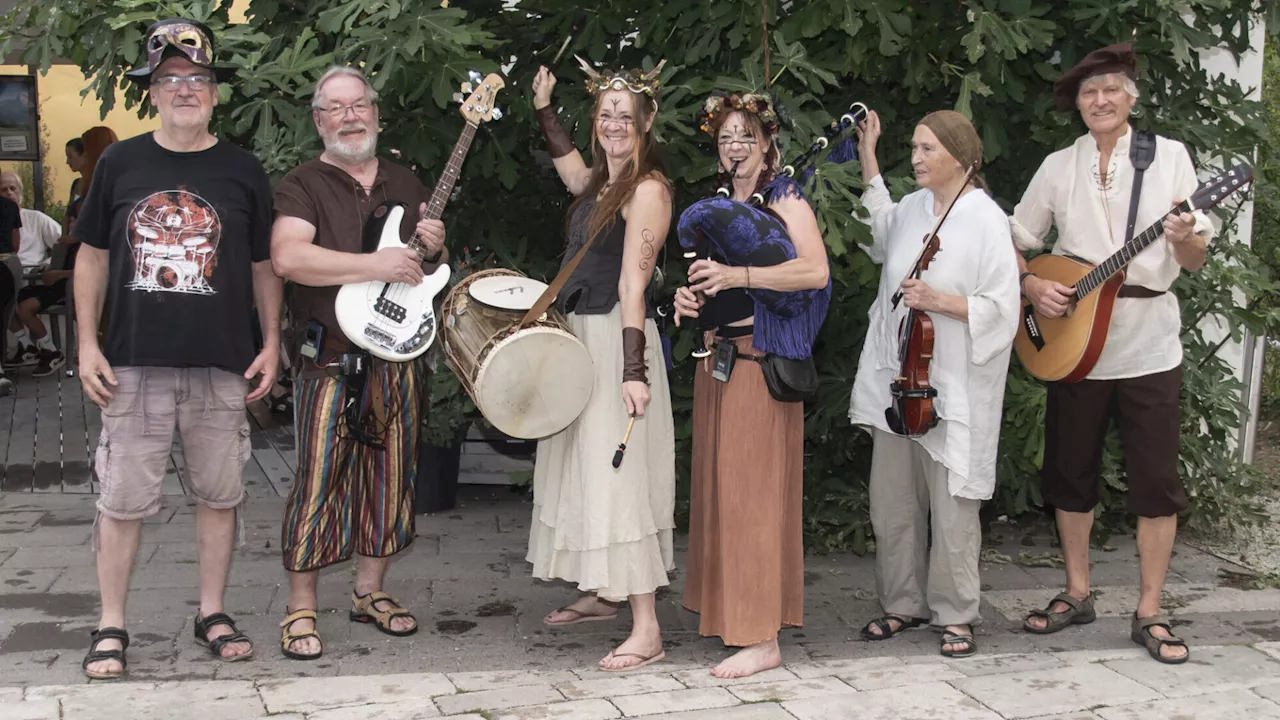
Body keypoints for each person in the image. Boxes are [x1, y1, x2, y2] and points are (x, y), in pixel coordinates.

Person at [72, 18, 281, 680]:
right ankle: (111, 624)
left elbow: (263, 266)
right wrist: (85, 343)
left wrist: (272, 341)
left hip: (222, 364)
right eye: (170, 81)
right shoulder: (119, 163)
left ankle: (212, 612)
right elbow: (93, 256)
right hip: (133, 363)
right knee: (122, 499)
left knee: (219, 496)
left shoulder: (243, 169)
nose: (184, 90)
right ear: (152, 93)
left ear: (215, 92)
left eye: (196, 79)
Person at [1011, 43, 1211, 665]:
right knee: (1070, 475)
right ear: (1077, 103)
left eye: (1111, 90)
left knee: (1156, 482)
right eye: (1088, 92)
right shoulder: (1056, 164)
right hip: (1075, 348)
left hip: (1150, 344)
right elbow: (1014, 238)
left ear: (1132, 98)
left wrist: (1183, 241)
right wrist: (1030, 284)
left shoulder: (1171, 159)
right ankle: (1077, 591)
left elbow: (1197, 257)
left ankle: (1149, 610)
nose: (1100, 100)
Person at [270, 65, 445, 661]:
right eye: (336, 108)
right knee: (318, 482)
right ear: (319, 120)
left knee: (392, 481)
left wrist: (434, 245)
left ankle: (369, 593)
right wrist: (376, 265)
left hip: (397, 355)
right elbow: (289, 257)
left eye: (359, 105)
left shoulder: (404, 179)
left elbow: (421, 264)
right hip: (331, 362)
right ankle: (300, 607)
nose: (350, 116)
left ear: (376, 112)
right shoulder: (303, 183)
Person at [847, 109, 1021, 659]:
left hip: (953, 386)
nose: (916, 158)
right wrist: (868, 152)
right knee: (891, 503)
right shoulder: (914, 208)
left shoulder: (985, 218)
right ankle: (902, 603)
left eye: (927, 149)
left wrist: (939, 302)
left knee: (951, 508)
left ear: (961, 155)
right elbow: (879, 228)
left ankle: (956, 612)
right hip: (901, 384)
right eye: (914, 148)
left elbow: (1004, 307)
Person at [670, 90, 831, 678]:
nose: (735, 145)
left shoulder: (786, 196)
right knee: (721, 496)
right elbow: (713, 285)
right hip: (716, 358)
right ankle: (734, 616)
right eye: (725, 138)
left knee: (752, 498)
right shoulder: (718, 204)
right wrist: (690, 297)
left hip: (759, 362)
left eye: (746, 135)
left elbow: (814, 270)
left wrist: (736, 272)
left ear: (767, 142)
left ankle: (763, 637)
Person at [528, 58, 677, 672]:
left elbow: (633, 284)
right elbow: (572, 175)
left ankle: (647, 628)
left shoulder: (648, 189)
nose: (615, 124)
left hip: (618, 340)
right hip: (581, 338)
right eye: (606, 114)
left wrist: (633, 371)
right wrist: (544, 111)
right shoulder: (601, 183)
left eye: (626, 115)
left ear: (647, 121)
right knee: (583, 470)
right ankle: (602, 592)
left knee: (619, 480)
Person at [2, 171, 76, 375]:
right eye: (3, 189)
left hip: (37, 279)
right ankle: (27, 345)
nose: (9, 193)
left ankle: (38, 348)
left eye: (12, 188)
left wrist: (48, 264)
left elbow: (62, 243)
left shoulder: (35, 218)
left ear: (19, 192)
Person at [64, 127, 119, 235]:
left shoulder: (113, 184)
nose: (85, 154)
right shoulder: (88, 182)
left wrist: (80, 232)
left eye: (86, 150)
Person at [66, 137, 86, 212]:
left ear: (83, 155)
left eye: (70, 157)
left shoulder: (95, 183)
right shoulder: (76, 184)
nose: (67, 162)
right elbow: (68, 213)